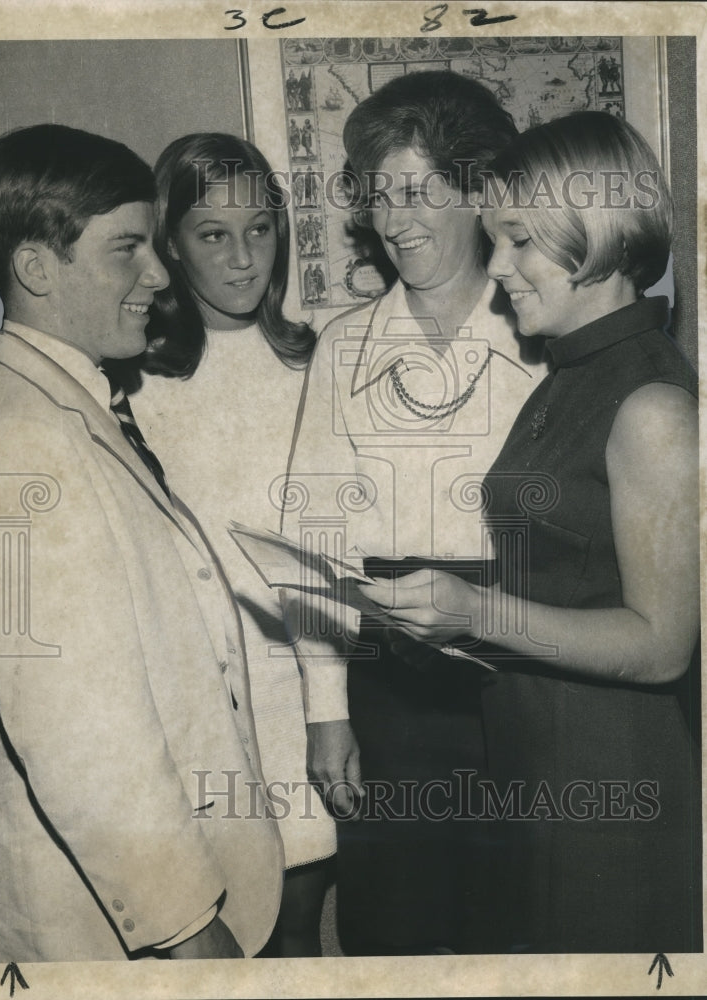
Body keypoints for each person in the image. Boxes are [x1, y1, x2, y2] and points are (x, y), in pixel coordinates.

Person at [0, 124, 284, 963]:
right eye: (128, 247)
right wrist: (187, 929)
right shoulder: (18, 446)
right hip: (114, 931)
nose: (160, 273)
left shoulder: (66, 405)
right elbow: (80, 741)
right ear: (36, 269)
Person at [360, 111, 701, 952]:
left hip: (609, 776)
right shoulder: (573, 372)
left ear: (596, 228)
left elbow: (663, 644)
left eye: (517, 241)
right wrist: (448, 628)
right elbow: (564, 582)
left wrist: (477, 614)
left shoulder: (651, 403)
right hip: (535, 754)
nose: (497, 266)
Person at [281, 70, 547, 955]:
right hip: (389, 683)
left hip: (528, 671)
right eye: (378, 198)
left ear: (478, 190)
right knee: (396, 926)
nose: (395, 222)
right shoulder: (343, 345)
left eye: (419, 192)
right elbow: (313, 537)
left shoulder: (542, 334)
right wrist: (328, 711)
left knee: (523, 920)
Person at [122, 132, 337, 957]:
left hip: (308, 707)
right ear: (170, 242)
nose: (244, 259)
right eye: (213, 235)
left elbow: (332, 550)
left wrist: (330, 710)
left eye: (260, 230)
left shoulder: (319, 362)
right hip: (199, 718)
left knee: (295, 940)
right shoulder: (135, 382)